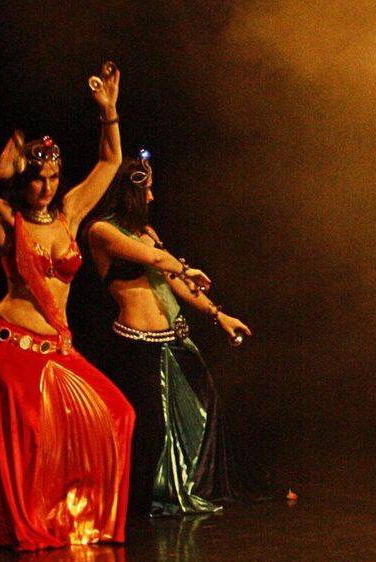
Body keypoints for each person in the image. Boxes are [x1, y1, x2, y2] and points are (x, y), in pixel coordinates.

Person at [0, 64, 135, 550]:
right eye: (38, 179)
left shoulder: (70, 213)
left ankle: (79, 519)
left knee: (118, 414)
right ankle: (31, 525)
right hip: (9, 346)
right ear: (22, 182)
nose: (47, 187)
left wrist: (109, 112)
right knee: (30, 442)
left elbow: (110, 162)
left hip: (56, 347)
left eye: (54, 177)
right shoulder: (7, 219)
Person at [85, 152, 253, 517]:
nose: (151, 197)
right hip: (135, 344)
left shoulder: (147, 233)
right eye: (146, 189)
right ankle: (137, 504)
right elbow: (160, 262)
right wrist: (186, 268)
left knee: (204, 408)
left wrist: (218, 314)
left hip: (170, 342)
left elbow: (173, 279)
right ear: (128, 192)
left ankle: (183, 489)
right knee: (152, 429)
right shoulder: (101, 232)